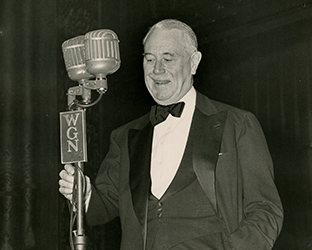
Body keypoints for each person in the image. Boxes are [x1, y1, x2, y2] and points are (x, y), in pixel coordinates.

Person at [59, 19, 283, 250]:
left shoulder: (237, 124)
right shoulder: (124, 136)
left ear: (194, 62)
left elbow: (265, 210)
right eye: (149, 59)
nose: (157, 70)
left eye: (168, 58)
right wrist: (84, 195)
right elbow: (102, 208)